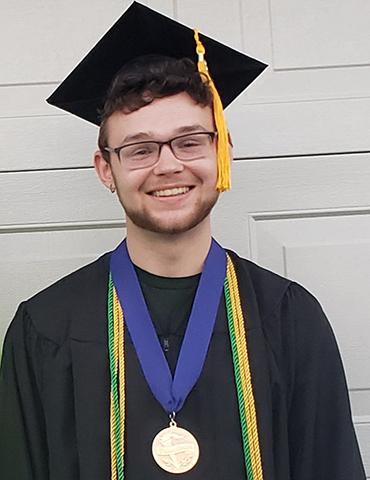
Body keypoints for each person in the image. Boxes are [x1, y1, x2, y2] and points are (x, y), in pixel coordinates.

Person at [0, 3, 366, 480]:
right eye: (139, 149)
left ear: (222, 152)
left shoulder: (289, 317)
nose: (168, 165)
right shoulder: (43, 328)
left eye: (190, 141)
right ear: (105, 169)